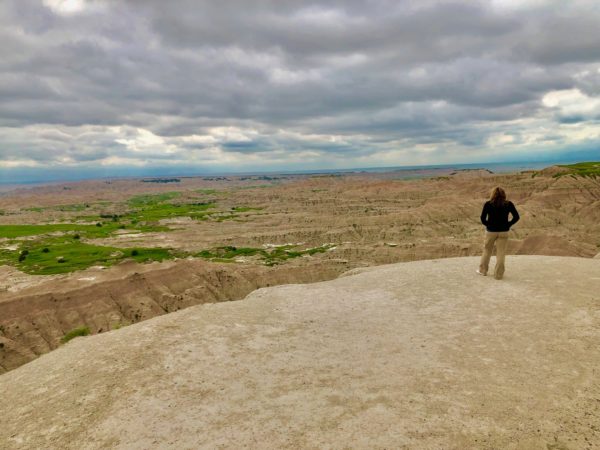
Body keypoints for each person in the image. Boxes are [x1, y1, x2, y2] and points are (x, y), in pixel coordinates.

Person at [477, 186, 519, 280]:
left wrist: (488, 225)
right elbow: (516, 217)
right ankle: (498, 275)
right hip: (504, 231)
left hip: (491, 231)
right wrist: (508, 225)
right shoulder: (509, 204)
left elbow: (482, 218)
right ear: (504, 194)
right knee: (501, 253)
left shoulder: (488, 204)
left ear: (493, 194)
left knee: (487, 250)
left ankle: (483, 271)